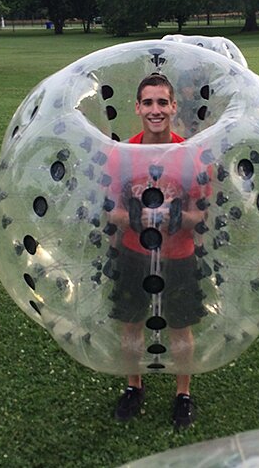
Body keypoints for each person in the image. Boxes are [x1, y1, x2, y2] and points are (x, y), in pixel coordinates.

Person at [106, 73, 210, 429]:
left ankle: (183, 393)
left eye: (162, 102)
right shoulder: (123, 156)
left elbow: (201, 215)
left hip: (179, 256)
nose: (155, 110)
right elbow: (110, 211)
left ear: (173, 106)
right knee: (131, 324)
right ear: (137, 108)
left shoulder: (189, 157)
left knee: (180, 328)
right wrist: (139, 216)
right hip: (133, 255)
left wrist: (174, 216)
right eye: (148, 103)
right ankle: (133, 386)